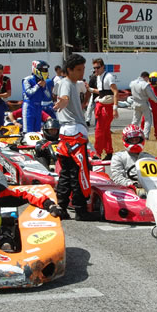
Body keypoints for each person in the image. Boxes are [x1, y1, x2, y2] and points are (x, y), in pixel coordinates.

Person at [54, 54, 97, 221]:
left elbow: (82, 91)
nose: (82, 72)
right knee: (79, 172)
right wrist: (62, 102)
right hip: (75, 133)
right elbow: (64, 98)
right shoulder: (66, 83)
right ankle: (80, 210)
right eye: (79, 69)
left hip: (66, 133)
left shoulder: (72, 83)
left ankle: (62, 207)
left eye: (83, 69)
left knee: (66, 172)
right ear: (69, 70)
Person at [92, 58, 118, 160]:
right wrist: (89, 89)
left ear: (103, 67)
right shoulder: (99, 77)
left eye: (98, 67)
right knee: (106, 131)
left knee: (99, 131)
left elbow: (115, 92)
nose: (96, 70)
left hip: (106, 108)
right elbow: (101, 92)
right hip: (102, 106)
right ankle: (109, 152)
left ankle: (97, 153)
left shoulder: (108, 77)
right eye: (94, 68)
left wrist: (115, 108)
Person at [22, 60, 53, 133]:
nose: (44, 71)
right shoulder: (27, 80)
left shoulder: (44, 81)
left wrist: (44, 87)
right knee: (28, 131)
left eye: (45, 70)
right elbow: (28, 93)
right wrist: (38, 85)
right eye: (42, 69)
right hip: (29, 106)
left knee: (37, 131)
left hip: (39, 107)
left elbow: (48, 97)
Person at [129, 71, 157, 140]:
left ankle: (131, 134)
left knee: (135, 120)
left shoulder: (132, 83)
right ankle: (145, 135)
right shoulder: (145, 85)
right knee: (148, 120)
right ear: (146, 77)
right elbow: (151, 95)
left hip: (135, 103)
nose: (148, 80)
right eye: (148, 79)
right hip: (143, 103)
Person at [140, 72, 157, 140]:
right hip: (148, 105)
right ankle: (142, 134)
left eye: (155, 79)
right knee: (144, 120)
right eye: (152, 79)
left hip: (156, 106)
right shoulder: (147, 86)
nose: (153, 81)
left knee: (156, 121)